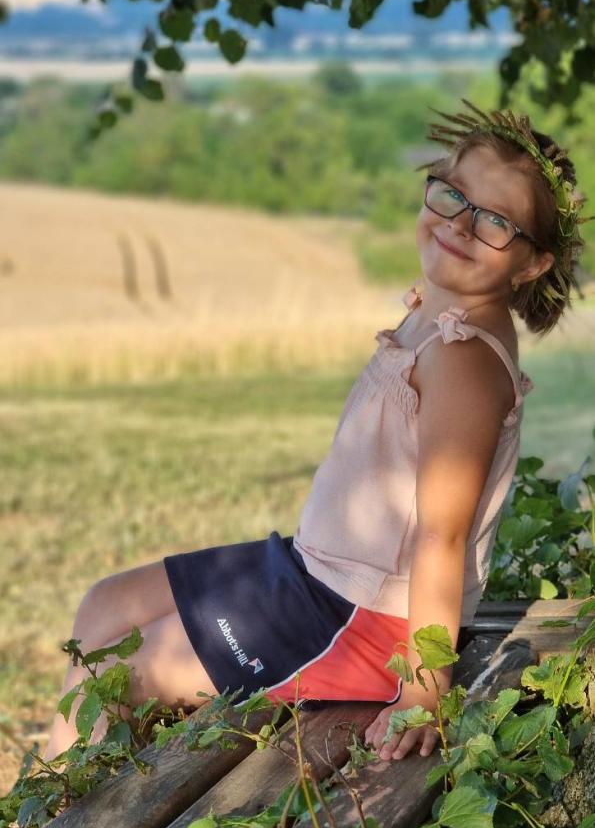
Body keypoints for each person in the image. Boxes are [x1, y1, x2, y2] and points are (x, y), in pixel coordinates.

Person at [42, 100, 588, 767]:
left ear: (531, 265)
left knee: (120, 673)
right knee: (105, 607)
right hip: (312, 571)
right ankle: (56, 797)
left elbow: (441, 535)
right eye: (453, 195)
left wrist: (423, 688)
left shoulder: (464, 360)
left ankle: (61, 823)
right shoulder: (438, 309)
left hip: (358, 619)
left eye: (495, 221)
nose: (460, 225)